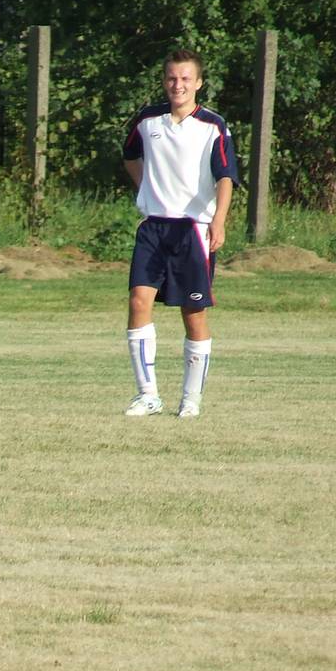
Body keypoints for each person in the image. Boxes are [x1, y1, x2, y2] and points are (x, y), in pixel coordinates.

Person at [120, 48, 240, 419]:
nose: (178, 85)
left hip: (193, 230)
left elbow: (225, 177)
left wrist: (218, 220)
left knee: (193, 313)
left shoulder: (212, 125)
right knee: (138, 301)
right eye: (172, 78)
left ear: (198, 83)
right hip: (154, 227)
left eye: (186, 78)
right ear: (164, 81)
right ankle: (148, 396)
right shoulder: (148, 119)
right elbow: (130, 156)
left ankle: (191, 398)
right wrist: (145, 190)